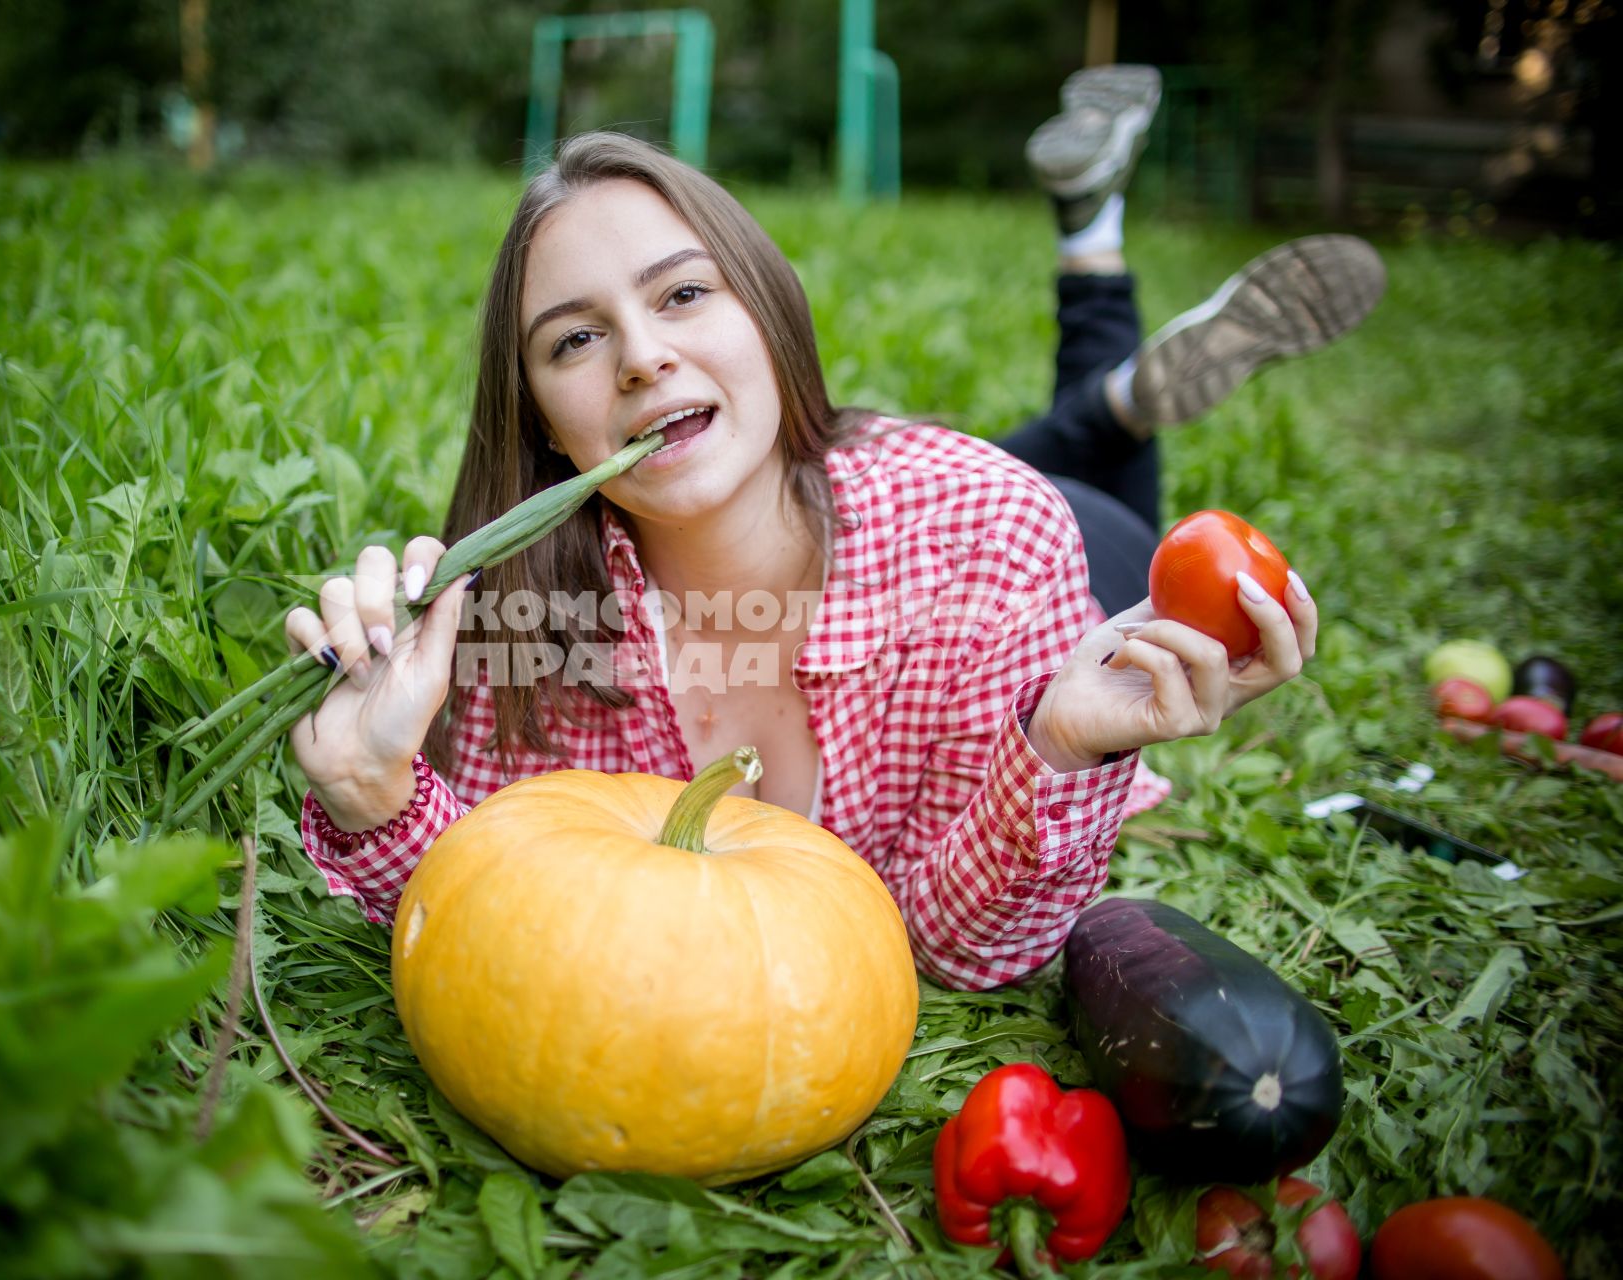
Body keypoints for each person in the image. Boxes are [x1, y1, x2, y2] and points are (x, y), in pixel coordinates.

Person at [283, 71, 1376, 990]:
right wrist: (376, 791)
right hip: (866, 485)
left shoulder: (992, 537)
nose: (639, 357)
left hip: (1083, 548)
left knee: (1099, 489)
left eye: (683, 296)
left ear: (768, 308)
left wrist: (1065, 738)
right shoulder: (526, 620)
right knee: (1067, 429)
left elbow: (955, 950)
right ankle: (1108, 351)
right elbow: (498, 937)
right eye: (574, 341)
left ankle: (1109, 356)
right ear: (547, 431)